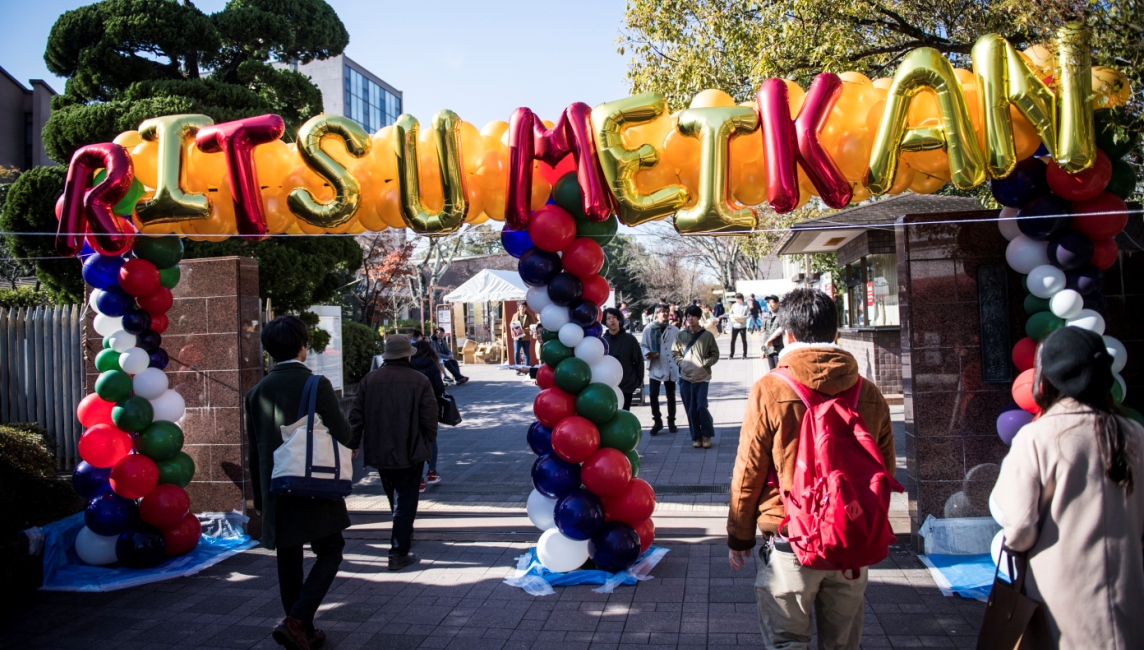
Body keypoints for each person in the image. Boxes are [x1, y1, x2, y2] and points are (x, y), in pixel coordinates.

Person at [727, 288, 895, 650]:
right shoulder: (868, 392)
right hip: (851, 537)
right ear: (836, 334)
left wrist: (739, 535)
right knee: (843, 643)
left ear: (787, 335)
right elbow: (885, 468)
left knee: (787, 640)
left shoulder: (771, 388)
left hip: (792, 537)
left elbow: (749, 468)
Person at [991, 326, 1144, 650]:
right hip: (1128, 590)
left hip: (1058, 597)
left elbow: (1018, 528)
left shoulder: (1037, 437)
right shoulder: (1134, 434)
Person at [245, 316, 357, 650]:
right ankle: (298, 620)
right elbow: (345, 435)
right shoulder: (315, 384)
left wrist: (261, 500)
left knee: (288, 556)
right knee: (331, 550)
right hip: (314, 484)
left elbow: (254, 452)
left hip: (276, 488)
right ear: (302, 345)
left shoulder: (256, 392)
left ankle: (301, 630)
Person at [348, 335, 438, 573]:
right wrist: (427, 439)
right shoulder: (419, 380)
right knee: (406, 499)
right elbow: (430, 417)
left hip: (379, 448)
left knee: (394, 495)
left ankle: (403, 534)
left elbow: (356, 416)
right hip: (410, 448)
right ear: (407, 355)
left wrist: (354, 442)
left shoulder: (370, 380)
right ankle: (398, 550)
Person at [672, 305, 720, 448]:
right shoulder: (680, 335)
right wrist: (682, 364)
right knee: (690, 408)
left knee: (701, 406)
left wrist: (706, 364)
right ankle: (696, 436)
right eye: (688, 316)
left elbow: (715, 354)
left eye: (693, 316)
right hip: (685, 377)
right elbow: (675, 353)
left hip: (702, 377)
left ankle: (707, 435)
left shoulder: (707, 336)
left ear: (699, 318)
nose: (690, 318)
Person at [410, 340, 447, 492]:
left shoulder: (409, 364)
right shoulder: (431, 364)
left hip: (410, 408)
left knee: (413, 440)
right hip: (430, 407)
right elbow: (439, 387)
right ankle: (431, 472)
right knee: (431, 438)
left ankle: (418, 480)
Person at [640, 304, 680, 435]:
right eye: (662, 312)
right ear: (656, 314)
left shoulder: (674, 329)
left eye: (667, 312)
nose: (665, 314)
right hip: (655, 365)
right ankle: (657, 420)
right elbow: (643, 346)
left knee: (671, 396)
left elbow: (680, 346)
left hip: (670, 366)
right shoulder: (649, 329)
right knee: (653, 395)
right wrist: (648, 353)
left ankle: (671, 421)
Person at [603, 307, 644, 410]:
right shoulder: (602, 341)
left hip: (626, 385)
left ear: (619, 319)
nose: (612, 320)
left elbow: (639, 361)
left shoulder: (630, 339)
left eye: (614, 317)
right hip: (608, 386)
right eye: (609, 318)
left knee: (624, 414)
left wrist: (637, 381)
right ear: (605, 322)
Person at [761, 295, 785, 370]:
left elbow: (783, 332)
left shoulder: (782, 316)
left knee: (780, 371)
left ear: (778, 303)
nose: (770, 305)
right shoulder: (768, 316)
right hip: (769, 350)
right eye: (768, 303)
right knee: (772, 371)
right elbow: (766, 334)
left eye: (772, 302)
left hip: (779, 349)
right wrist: (763, 350)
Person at [510, 301, 536, 366]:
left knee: (526, 354)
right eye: (521, 306)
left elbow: (533, 326)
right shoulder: (515, 315)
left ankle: (526, 369)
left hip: (526, 337)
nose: (522, 308)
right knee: (516, 353)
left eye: (524, 306)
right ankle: (518, 368)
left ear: (526, 308)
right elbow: (511, 325)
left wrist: (524, 330)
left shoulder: (529, 316)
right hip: (517, 337)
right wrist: (513, 333)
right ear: (519, 307)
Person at [728, 293, 750, 359]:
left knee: (744, 340)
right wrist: (733, 317)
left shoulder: (746, 306)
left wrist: (742, 317)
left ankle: (744, 354)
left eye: (738, 298)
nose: (737, 300)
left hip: (742, 325)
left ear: (741, 299)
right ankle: (731, 354)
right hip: (735, 325)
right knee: (732, 340)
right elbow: (730, 313)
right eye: (736, 298)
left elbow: (748, 315)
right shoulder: (734, 305)